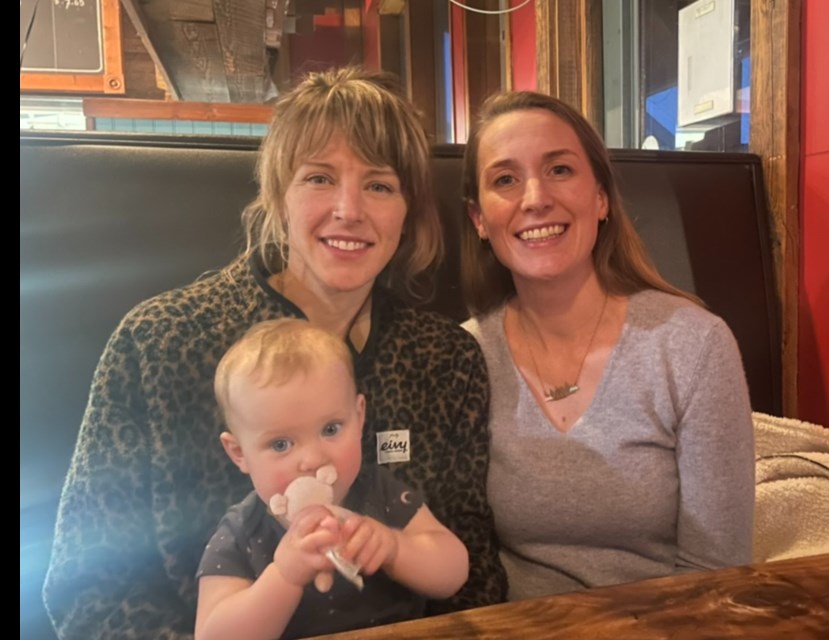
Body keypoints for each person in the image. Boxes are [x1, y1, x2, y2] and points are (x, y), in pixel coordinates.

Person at [43, 67, 506, 639]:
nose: (348, 209)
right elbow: (89, 597)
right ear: (277, 195)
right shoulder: (160, 341)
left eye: (379, 185)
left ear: (407, 211)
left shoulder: (445, 359)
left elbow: (475, 576)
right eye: (318, 178)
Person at [460, 91, 755, 601]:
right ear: (479, 219)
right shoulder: (462, 357)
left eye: (559, 170)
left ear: (600, 198)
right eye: (505, 179)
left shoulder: (694, 345)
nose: (534, 198)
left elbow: (715, 574)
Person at [195, 319, 468, 639]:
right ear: (239, 453)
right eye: (281, 444)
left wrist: (396, 548)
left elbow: (454, 572)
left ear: (359, 416)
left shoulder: (379, 492)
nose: (312, 460)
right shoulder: (242, 530)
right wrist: (285, 576)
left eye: (331, 429)